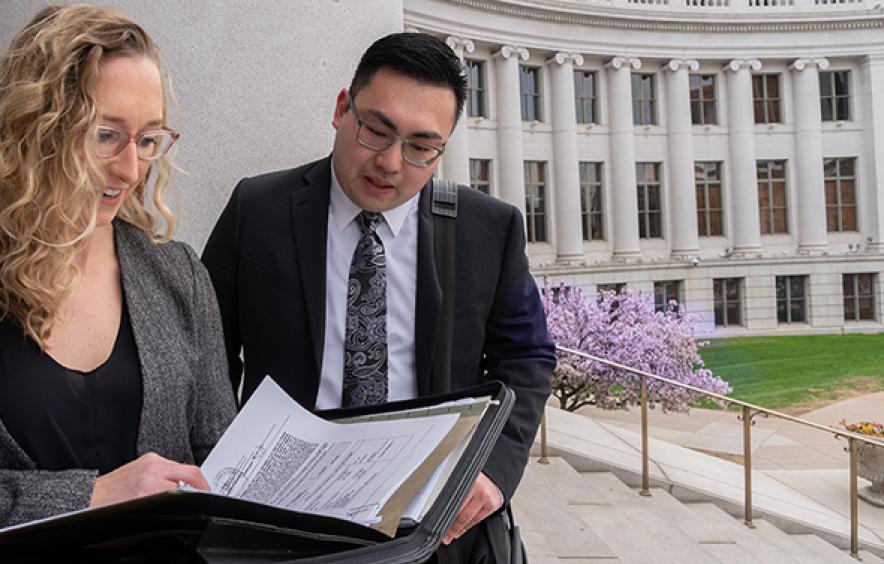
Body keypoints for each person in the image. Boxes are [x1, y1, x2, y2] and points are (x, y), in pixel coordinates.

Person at [202, 32, 554, 562]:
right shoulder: (259, 208)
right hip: (282, 520)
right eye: (376, 130)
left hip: (431, 520)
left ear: (442, 147)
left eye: (420, 147)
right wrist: (219, 464)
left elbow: (526, 357)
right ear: (343, 109)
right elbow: (206, 351)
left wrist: (495, 471)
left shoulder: (488, 229)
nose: (390, 162)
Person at [0, 5, 236, 527]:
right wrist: (91, 494)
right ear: (34, 128)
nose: (131, 171)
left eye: (148, 140)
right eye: (105, 135)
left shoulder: (179, 276)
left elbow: (221, 461)